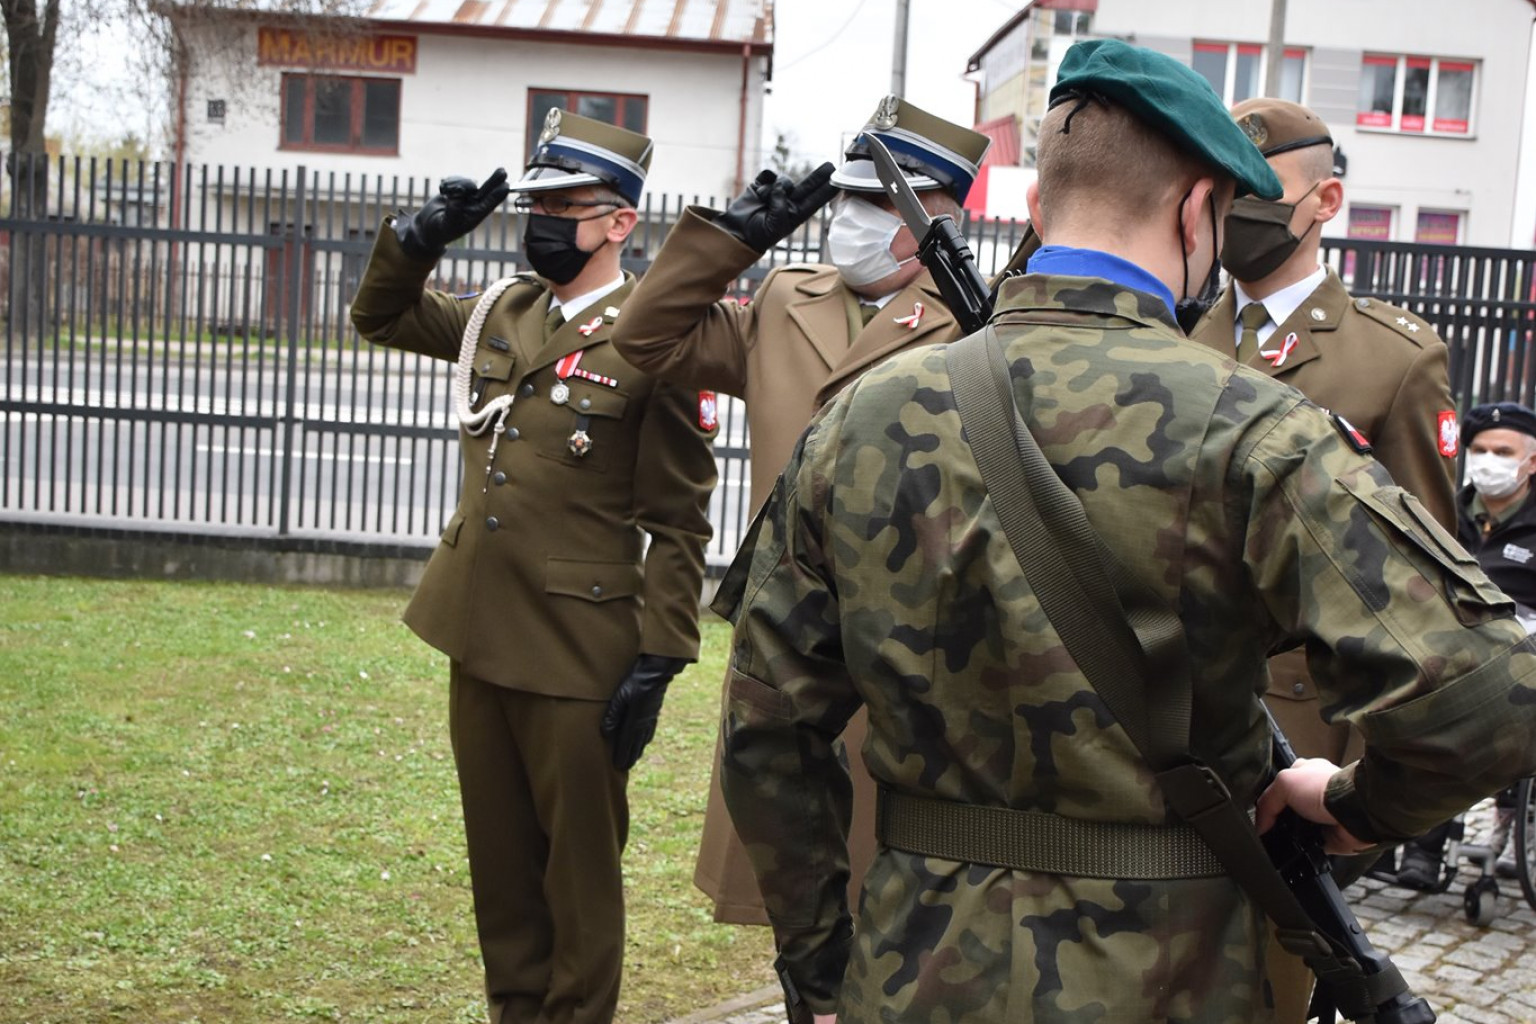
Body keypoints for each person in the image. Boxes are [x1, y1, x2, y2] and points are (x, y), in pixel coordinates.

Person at [712, 39, 1536, 1024]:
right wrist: (1353, 811)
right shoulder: (1254, 427)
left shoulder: (860, 418)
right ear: (1199, 211)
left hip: (913, 966)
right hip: (1171, 976)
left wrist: (819, 968)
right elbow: (1491, 696)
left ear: (1034, 208)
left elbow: (766, 724)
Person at [349, 109, 718, 1024]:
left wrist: (662, 655)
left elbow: (678, 518)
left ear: (618, 223)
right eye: (537, 203)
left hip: (577, 652)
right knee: (502, 871)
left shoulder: (653, 336)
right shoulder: (506, 311)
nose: (542, 220)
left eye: (564, 205)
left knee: (578, 884)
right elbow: (380, 316)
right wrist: (420, 240)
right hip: (476, 632)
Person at [611, 96, 993, 925]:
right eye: (845, 198)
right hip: (786, 648)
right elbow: (642, 341)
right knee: (797, 908)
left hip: (910, 663)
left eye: (872, 200)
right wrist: (726, 245)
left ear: (935, 216)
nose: (849, 217)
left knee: (898, 909)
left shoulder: (978, 325)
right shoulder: (788, 300)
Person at [1185, 96, 1461, 1016]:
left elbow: (1422, 587)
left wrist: (1367, 785)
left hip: (1297, 725)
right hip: (1166, 704)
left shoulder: (1394, 360)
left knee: (1269, 975)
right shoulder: (1175, 336)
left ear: (1326, 201)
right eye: (1228, 188)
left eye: (1264, 191)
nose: (1241, 210)